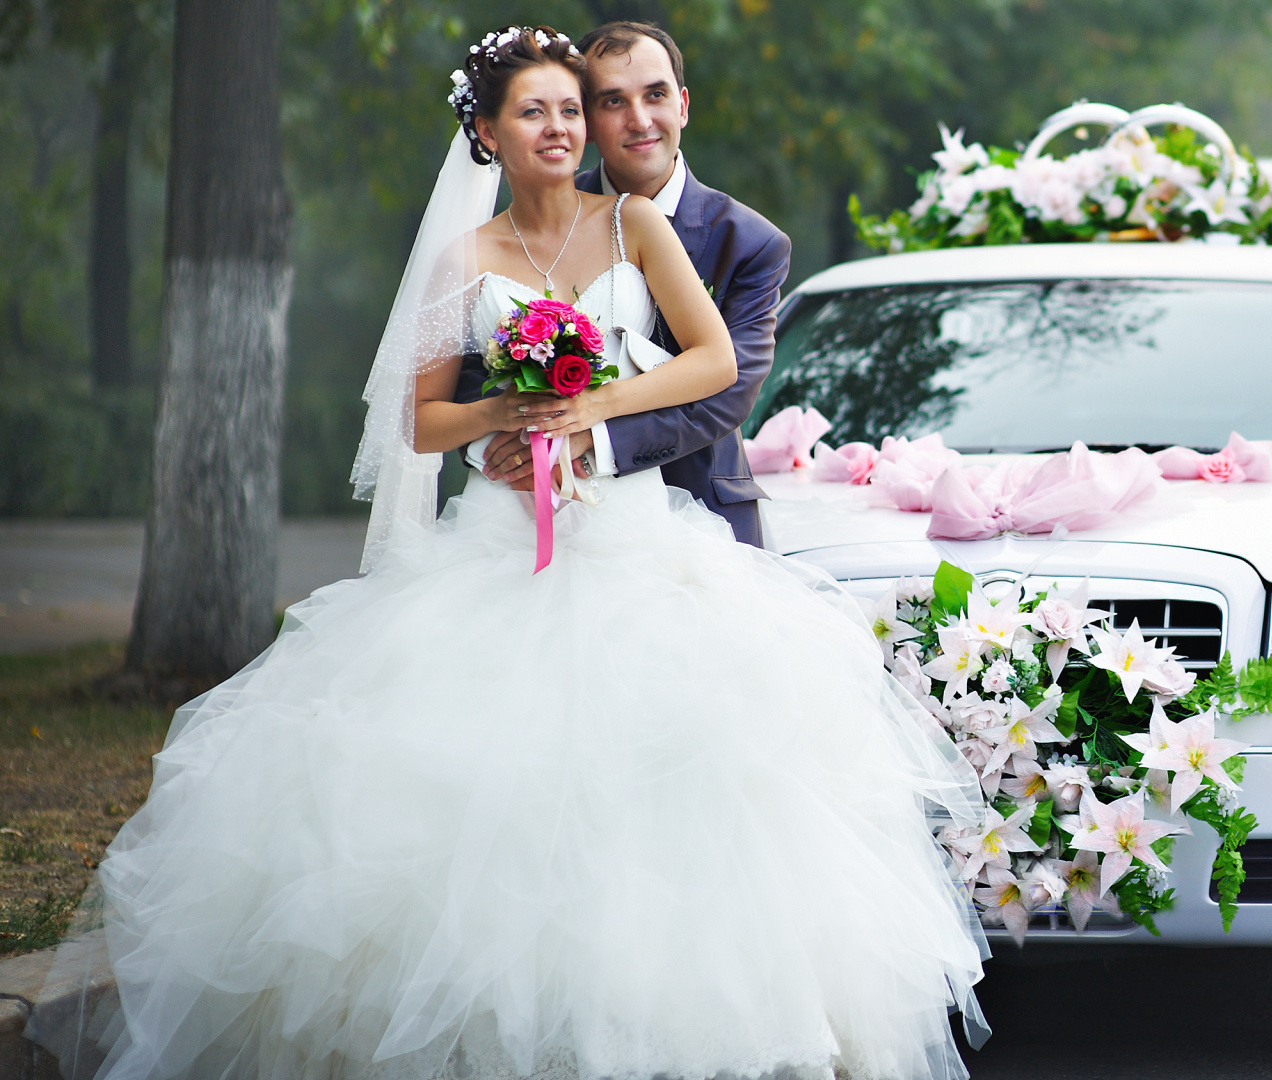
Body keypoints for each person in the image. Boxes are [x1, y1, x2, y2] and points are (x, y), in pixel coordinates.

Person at [35, 25, 987, 1080]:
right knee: (476, 786)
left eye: (571, 110)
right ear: (486, 133)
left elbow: (715, 360)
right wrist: (508, 407)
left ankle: (665, 1024)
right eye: (537, 112)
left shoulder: (633, 227)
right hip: (497, 545)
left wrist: (590, 407)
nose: (564, 128)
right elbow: (422, 419)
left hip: (632, 536)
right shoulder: (467, 258)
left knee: (667, 781)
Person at [459, 20, 788, 547]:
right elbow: (477, 359)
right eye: (612, 102)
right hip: (538, 511)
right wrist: (510, 446)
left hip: (701, 516)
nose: (640, 120)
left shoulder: (749, 242)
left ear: (682, 105)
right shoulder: (537, 211)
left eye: (655, 95)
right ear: (585, 115)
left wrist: (592, 436)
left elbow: (726, 389)